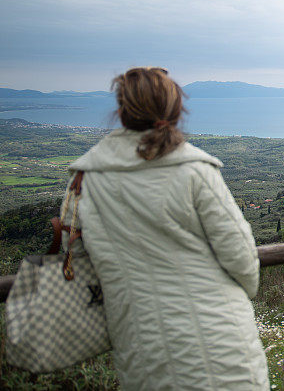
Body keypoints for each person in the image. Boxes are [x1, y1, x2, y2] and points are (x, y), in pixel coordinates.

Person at [65, 67, 269, 389]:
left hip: (139, 342)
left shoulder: (84, 178)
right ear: (176, 111)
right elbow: (242, 259)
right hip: (220, 340)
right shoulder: (195, 170)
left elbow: (75, 258)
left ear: (121, 112)